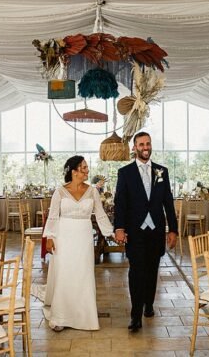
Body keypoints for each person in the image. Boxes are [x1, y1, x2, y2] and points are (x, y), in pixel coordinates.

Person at [113, 132, 178, 333]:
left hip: (156, 231)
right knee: (136, 272)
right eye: (141, 144)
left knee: (152, 271)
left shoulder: (162, 171)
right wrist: (119, 228)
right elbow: (120, 203)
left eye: (148, 143)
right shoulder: (125, 173)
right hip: (135, 232)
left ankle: (149, 304)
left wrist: (173, 229)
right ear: (135, 148)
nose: (145, 147)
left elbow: (168, 201)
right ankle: (135, 315)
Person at [40, 156, 113, 331]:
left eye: (87, 167)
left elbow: (100, 215)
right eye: (84, 168)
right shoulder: (60, 191)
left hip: (84, 237)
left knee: (83, 273)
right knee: (65, 273)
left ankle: (85, 316)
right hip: (63, 236)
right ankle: (60, 316)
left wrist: (111, 233)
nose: (87, 171)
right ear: (74, 171)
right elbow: (53, 215)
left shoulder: (93, 191)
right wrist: (49, 237)